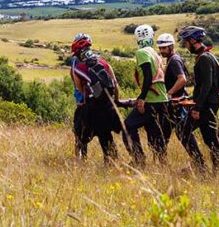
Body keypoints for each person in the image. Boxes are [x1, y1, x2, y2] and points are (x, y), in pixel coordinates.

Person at [178, 26, 219, 175]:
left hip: (206, 105)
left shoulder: (204, 58)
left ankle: (200, 166)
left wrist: (197, 107)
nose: (185, 46)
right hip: (209, 103)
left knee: (181, 129)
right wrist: (191, 99)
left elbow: (207, 85)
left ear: (193, 41)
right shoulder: (208, 56)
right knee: (209, 138)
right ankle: (217, 171)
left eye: (186, 42)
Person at [69, 35, 123, 163]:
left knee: (80, 135)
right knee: (105, 136)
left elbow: (81, 89)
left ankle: (81, 160)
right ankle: (112, 162)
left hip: (91, 107)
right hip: (107, 105)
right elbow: (115, 84)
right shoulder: (104, 62)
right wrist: (115, 101)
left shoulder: (78, 68)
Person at [122, 24, 169, 166]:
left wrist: (141, 98)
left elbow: (147, 76)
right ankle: (162, 163)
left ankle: (138, 160)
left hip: (151, 99)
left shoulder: (141, 53)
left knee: (128, 126)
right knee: (154, 131)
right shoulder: (155, 53)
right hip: (161, 98)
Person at [156, 32, 189, 146]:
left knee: (181, 134)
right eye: (160, 48)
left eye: (164, 48)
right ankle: (161, 160)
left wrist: (169, 93)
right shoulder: (172, 59)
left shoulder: (174, 61)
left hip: (176, 104)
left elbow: (182, 79)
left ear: (171, 47)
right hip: (174, 103)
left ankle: (199, 161)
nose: (161, 51)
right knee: (165, 135)